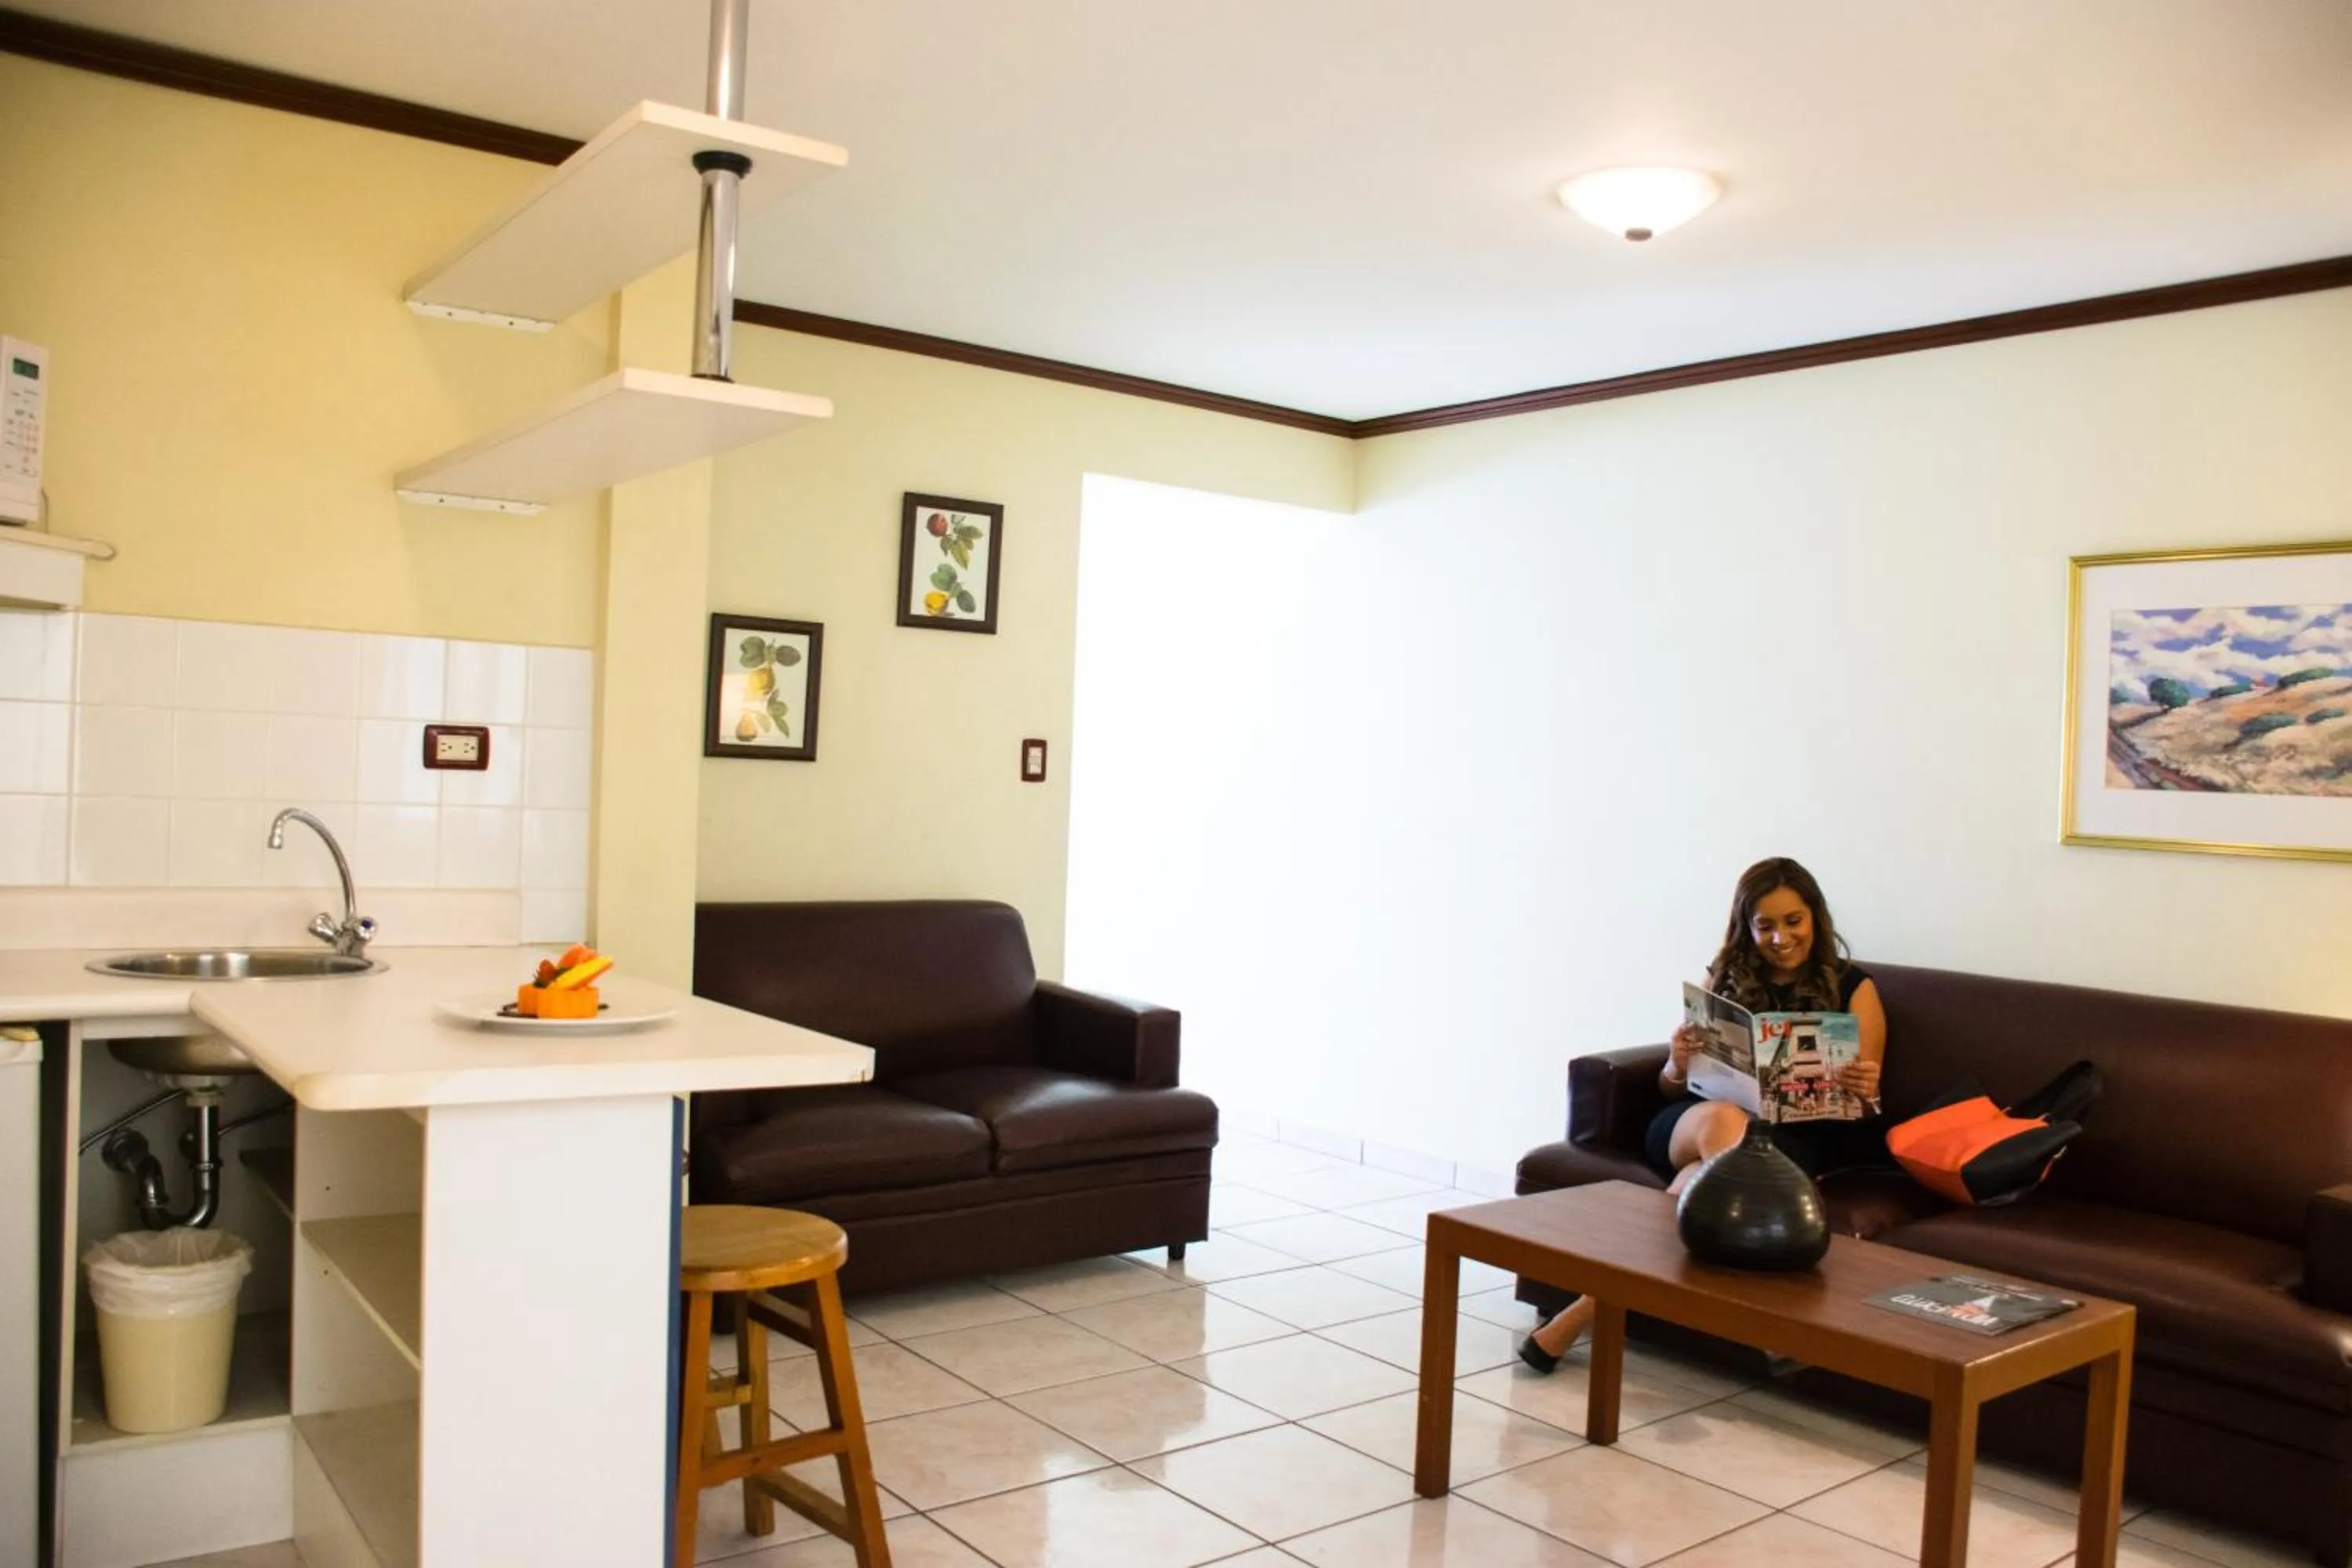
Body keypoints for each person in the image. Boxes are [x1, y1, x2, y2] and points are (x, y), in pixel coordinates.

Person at [1517, 856, 1887, 1374]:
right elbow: (1670, 1088)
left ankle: (1583, 1311)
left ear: (1815, 918)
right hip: (1693, 1124)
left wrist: (1863, 1086)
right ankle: (1771, 1317)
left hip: (1790, 1143)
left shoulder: (1856, 989)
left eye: (1793, 922)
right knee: (1722, 1122)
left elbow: (1866, 1107)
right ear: (1746, 927)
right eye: (1765, 926)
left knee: (1696, 1184)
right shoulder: (1723, 977)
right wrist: (1677, 1059)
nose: (1780, 938)